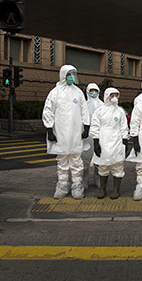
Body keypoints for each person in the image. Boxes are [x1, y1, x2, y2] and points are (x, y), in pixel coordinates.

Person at [42, 65, 90, 199]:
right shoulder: (55, 92)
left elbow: (84, 110)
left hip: (76, 133)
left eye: (73, 74)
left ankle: (77, 185)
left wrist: (86, 127)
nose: (72, 77)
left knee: (76, 160)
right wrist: (49, 129)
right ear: (63, 75)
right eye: (69, 74)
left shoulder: (78, 92)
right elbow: (48, 111)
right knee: (62, 160)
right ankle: (62, 185)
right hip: (60, 132)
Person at [90, 87, 129, 199]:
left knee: (118, 165)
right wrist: (96, 142)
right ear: (107, 96)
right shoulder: (99, 111)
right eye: (112, 95)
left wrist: (125, 140)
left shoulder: (120, 111)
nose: (114, 98)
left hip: (117, 140)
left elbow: (123, 126)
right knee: (103, 165)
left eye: (116, 95)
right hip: (103, 140)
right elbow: (95, 127)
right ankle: (102, 189)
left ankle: (116, 190)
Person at [83, 83, 104, 188]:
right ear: (87, 92)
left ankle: (98, 179)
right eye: (91, 91)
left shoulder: (103, 105)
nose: (94, 93)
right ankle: (84, 180)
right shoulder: (84, 105)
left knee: (99, 158)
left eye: (95, 91)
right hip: (86, 135)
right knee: (84, 159)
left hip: (100, 135)